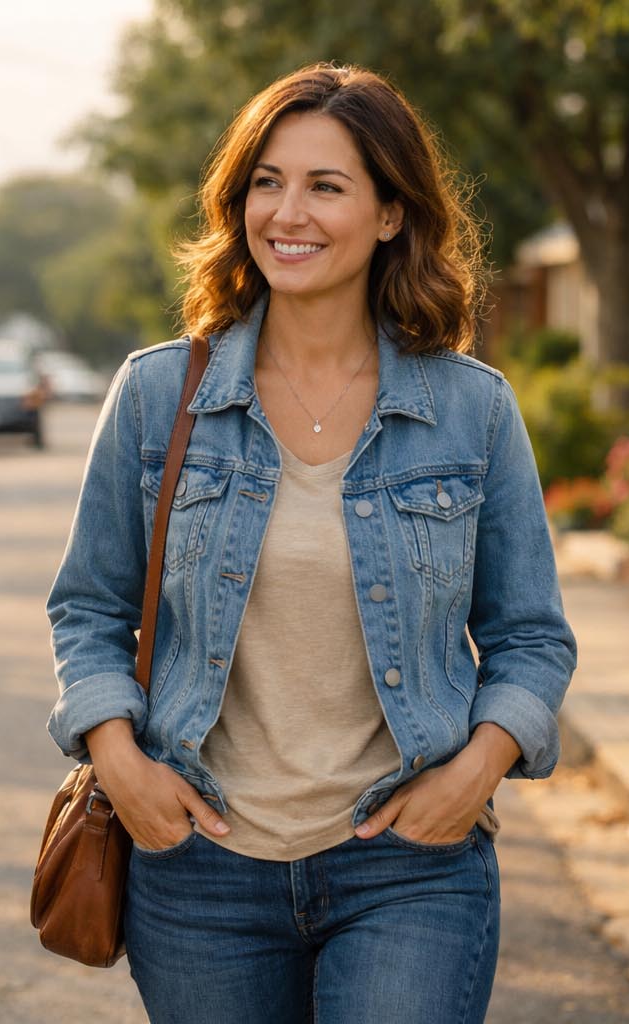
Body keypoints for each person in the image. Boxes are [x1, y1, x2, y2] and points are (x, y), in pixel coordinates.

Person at [46, 63, 577, 1023]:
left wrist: (475, 772)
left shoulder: (471, 411)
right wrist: (121, 765)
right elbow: (88, 607)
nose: (288, 212)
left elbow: (532, 637)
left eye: (326, 186)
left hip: (409, 869)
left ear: (389, 215)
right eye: (268, 181)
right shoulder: (160, 396)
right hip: (199, 870)